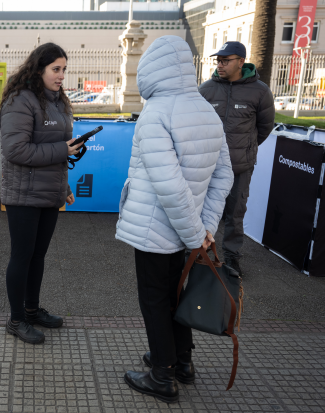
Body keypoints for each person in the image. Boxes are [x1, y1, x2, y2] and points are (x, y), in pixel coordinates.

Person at [115, 36, 234, 403]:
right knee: (176, 295)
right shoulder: (205, 109)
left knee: (155, 299)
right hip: (188, 231)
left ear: (151, 67)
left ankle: (162, 375)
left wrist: (198, 232)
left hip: (156, 230)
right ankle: (182, 362)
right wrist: (204, 229)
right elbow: (224, 175)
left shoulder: (156, 113)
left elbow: (169, 188)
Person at [0, 43, 83, 344]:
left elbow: (57, 148)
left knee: (38, 256)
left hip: (49, 191)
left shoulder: (59, 101)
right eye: (56, 69)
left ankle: (32, 310)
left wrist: (66, 184)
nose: (61, 76)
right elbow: (15, 149)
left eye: (64, 69)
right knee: (22, 256)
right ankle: (17, 319)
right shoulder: (21, 100)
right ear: (38, 69)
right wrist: (62, 149)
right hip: (23, 193)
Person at [199, 41, 275, 276]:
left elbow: (264, 128)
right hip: (207, 165)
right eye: (218, 61)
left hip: (239, 166)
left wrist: (245, 149)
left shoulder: (260, 91)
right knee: (199, 210)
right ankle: (195, 253)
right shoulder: (205, 89)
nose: (220, 65)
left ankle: (231, 259)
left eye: (225, 60)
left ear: (241, 62)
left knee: (234, 214)